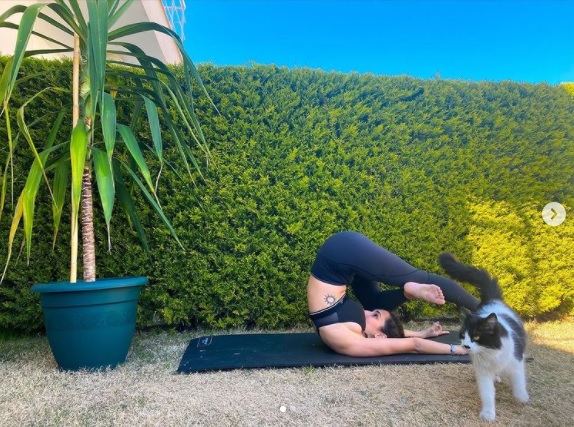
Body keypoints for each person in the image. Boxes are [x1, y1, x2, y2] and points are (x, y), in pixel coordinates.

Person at [307, 231, 480, 357]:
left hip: (341, 253)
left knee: (418, 278)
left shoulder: (351, 340)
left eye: (375, 315)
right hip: (342, 257)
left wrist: (454, 348)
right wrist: (432, 338)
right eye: (375, 314)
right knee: (377, 301)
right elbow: (410, 343)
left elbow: (410, 344)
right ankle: (483, 309)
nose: (367, 312)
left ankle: (482, 307)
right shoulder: (354, 337)